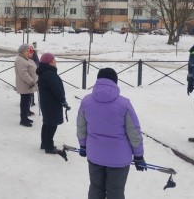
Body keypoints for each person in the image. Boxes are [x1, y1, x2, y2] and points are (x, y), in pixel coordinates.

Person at [76, 68, 146, 199]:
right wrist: (139, 156)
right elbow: (134, 131)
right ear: (115, 82)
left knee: (96, 188)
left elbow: (81, 126)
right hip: (118, 158)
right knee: (116, 191)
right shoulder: (124, 103)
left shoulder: (86, 101)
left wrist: (83, 146)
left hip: (95, 154)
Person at [36, 52, 70, 154]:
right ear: (49, 63)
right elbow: (57, 90)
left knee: (47, 123)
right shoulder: (50, 74)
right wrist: (63, 101)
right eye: (53, 60)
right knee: (52, 124)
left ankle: (44, 143)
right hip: (52, 104)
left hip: (47, 103)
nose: (55, 61)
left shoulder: (44, 72)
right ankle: (49, 147)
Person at [14, 44, 38, 127]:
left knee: (27, 101)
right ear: (23, 51)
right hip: (25, 84)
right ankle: (23, 119)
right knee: (24, 102)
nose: (29, 52)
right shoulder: (21, 60)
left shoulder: (25, 59)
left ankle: (25, 116)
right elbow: (23, 73)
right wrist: (31, 81)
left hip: (28, 84)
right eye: (27, 51)